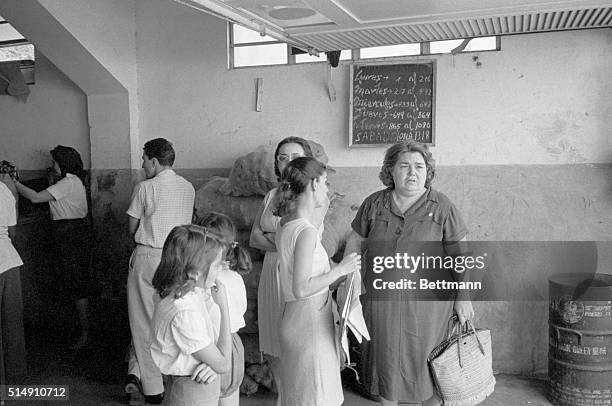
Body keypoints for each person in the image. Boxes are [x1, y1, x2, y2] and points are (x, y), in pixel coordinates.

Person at [343, 141, 474, 406]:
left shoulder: (442, 206)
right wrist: (351, 280)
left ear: (428, 171)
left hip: (429, 310)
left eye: (419, 166)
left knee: (431, 371)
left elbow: (460, 256)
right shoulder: (374, 203)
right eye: (404, 166)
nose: (412, 173)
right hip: (382, 307)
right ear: (390, 171)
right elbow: (355, 242)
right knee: (386, 370)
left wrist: (464, 297)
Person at [274, 157, 361, 406]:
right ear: (312, 184)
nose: (326, 189)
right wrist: (340, 269)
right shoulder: (306, 231)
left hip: (297, 318)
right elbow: (301, 287)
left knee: (302, 394)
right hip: (309, 321)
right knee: (317, 394)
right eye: (324, 183)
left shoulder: (286, 224)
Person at [125, 138, 196, 404]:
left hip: (149, 256)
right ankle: (172, 380)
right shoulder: (188, 187)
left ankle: (153, 389)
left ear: (154, 161)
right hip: (179, 258)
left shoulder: (145, 187)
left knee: (143, 323)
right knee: (169, 321)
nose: (143, 165)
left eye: (144, 159)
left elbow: (132, 228)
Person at [249, 136, 314, 402]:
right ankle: (283, 398)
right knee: (273, 341)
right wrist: (283, 241)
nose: (288, 162)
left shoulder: (312, 192)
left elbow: (309, 238)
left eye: (294, 156)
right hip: (271, 270)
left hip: (296, 271)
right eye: (282, 157)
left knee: (296, 341)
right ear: (276, 163)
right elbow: (253, 237)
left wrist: (274, 240)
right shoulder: (271, 195)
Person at [12, 145, 92, 350]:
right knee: (72, 283)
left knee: (75, 284)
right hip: (72, 233)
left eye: (54, 162)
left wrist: (12, 182)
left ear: (63, 163)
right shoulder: (73, 181)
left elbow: (36, 197)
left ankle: (84, 332)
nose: (51, 165)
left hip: (69, 234)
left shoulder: (68, 182)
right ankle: (78, 330)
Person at [150, 225, 232, 406]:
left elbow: (214, 353)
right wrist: (224, 308)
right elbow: (224, 364)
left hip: (195, 385)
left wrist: (213, 364)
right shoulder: (183, 312)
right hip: (192, 391)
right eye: (217, 266)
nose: (220, 271)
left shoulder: (188, 293)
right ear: (195, 273)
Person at [195, 212, 251, 406]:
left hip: (211, 349)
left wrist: (215, 361)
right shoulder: (236, 278)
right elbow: (241, 312)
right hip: (234, 347)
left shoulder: (204, 282)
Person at [0, 174, 27, 386]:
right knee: (12, 326)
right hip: (9, 262)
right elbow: (12, 230)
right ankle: (14, 385)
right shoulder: (4, 190)